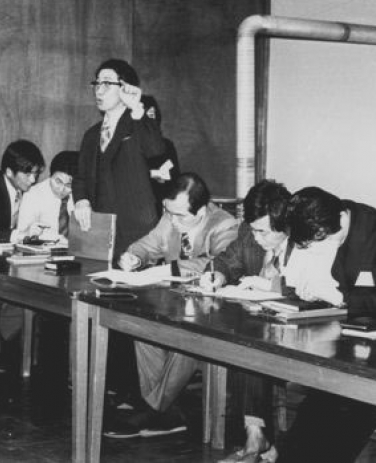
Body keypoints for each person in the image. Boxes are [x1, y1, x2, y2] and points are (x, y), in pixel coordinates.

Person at [105, 172, 239, 438]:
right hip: (176, 302)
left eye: (180, 216)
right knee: (143, 328)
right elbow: (149, 244)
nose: (173, 221)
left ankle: (153, 409)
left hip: (214, 310)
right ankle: (165, 411)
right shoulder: (172, 216)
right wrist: (134, 257)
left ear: (201, 210)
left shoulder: (224, 224)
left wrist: (170, 268)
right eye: (168, 212)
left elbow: (219, 262)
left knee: (186, 335)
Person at [274, 187, 376, 463]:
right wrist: (316, 293)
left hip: (369, 358)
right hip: (352, 344)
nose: (320, 251)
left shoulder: (371, 230)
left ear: (342, 217)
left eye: (322, 243)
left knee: (346, 414)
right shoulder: (326, 229)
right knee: (316, 414)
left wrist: (341, 298)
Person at [198, 179, 291, 463]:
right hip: (259, 324)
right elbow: (226, 260)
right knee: (245, 337)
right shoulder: (250, 233)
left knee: (250, 339)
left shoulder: (304, 241)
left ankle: (256, 440)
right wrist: (217, 275)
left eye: (264, 232)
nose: (257, 238)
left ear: (285, 224)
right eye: (253, 229)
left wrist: (273, 287)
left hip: (296, 328)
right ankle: (255, 436)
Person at [72, 59, 167, 260]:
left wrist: (137, 109)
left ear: (126, 87)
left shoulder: (138, 122)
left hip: (137, 232)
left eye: (107, 83)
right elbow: (80, 178)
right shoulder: (91, 135)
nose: (99, 91)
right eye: (97, 83)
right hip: (99, 231)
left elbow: (156, 151)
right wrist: (81, 200)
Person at [0, 139, 45, 371]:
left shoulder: (27, 191)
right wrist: (16, 235)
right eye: (28, 174)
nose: (33, 180)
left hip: (11, 261)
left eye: (36, 174)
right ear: (9, 172)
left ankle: (15, 349)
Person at [14, 150, 78, 243]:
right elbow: (22, 234)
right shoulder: (33, 195)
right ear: (50, 175)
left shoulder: (81, 197)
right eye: (58, 181)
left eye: (68, 185)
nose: (61, 189)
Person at [141, 94, 180, 215]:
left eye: (151, 115)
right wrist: (153, 174)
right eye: (144, 115)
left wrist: (165, 178)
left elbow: (175, 177)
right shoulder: (128, 146)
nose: (148, 120)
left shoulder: (167, 145)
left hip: (162, 204)